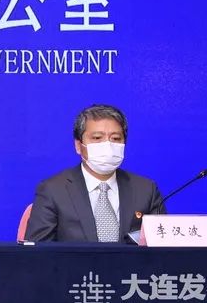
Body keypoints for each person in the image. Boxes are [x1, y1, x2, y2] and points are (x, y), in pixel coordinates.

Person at [25, 104, 163, 243]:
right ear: (78, 146)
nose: (108, 146)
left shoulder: (146, 190)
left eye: (116, 138)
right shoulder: (53, 190)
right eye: (97, 138)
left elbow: (162, 245)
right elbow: (38, 250)